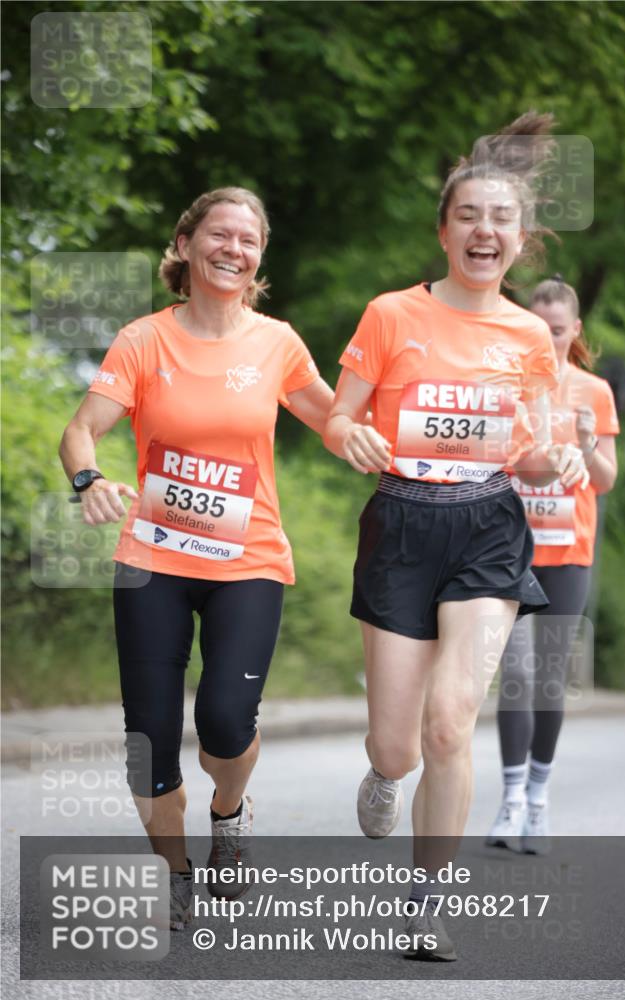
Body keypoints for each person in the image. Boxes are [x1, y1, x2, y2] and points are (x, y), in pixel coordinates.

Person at [324, 112, 591, 962]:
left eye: (501, 219)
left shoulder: (527, 336)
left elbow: (538, 455)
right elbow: (339, 416)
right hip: (400, 519)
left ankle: (425, 899)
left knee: (450, 725)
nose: (484, 231)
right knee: (397, 741)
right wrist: (349, 436)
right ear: (444, 231)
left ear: (520, 241)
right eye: (468, 216)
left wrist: (563, 462)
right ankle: (384, 772)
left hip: (487, 526)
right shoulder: (390, 314)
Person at [59, 187, 333, 930]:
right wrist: (88, 479)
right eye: (219, 234)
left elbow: (337, 422)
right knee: (148, 736)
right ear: (185, 244)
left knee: (222, 719)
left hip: (248, 561)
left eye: (249, 239)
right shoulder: (143, 340)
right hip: (153, 557)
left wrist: (396, 439)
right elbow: (81, 431)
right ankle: (174, 872)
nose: (233, 248)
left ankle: (229, 809)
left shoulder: (277, 343)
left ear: (259, 258)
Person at [487, 275, 619, 854]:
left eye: (558, 331)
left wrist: (588, 444)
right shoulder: (505, 388)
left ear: (574, 332)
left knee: (547, 679)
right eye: (538, 328)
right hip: (510, 551)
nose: (548, 338)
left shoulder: (594, 391)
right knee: (513, 676)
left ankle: (539, 798)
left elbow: (607, 479)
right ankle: (511, 800)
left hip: (568, 552)